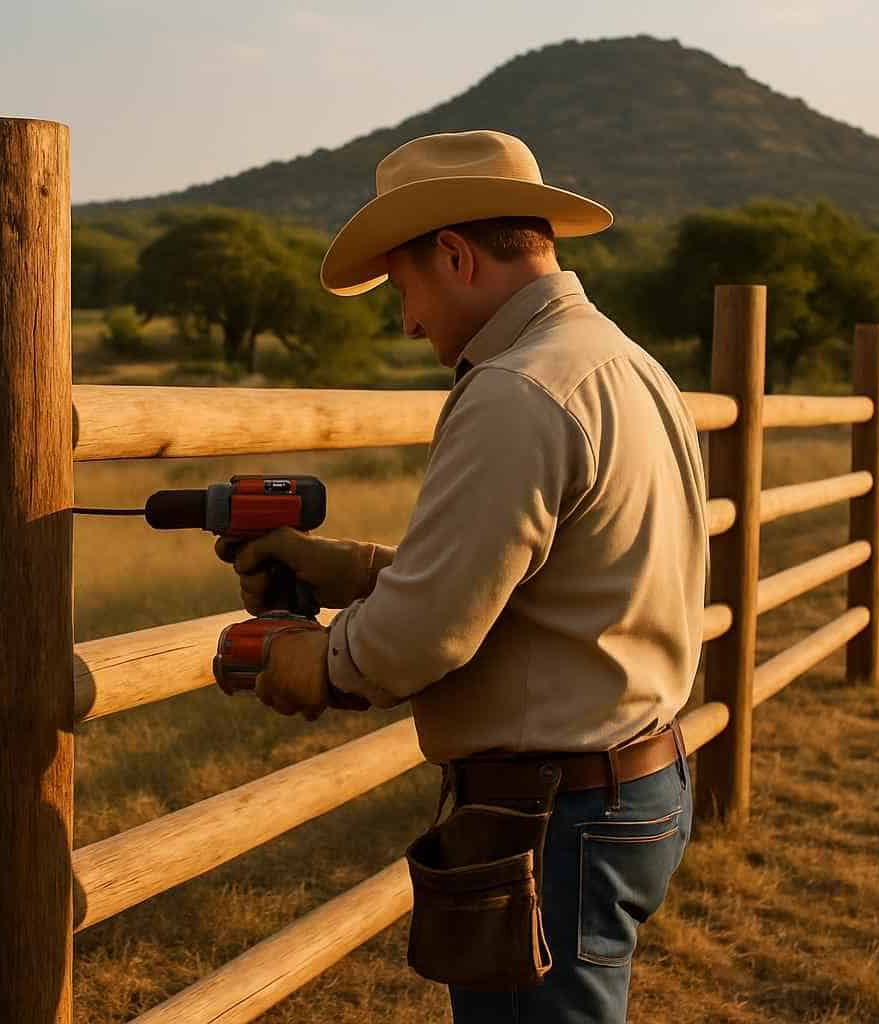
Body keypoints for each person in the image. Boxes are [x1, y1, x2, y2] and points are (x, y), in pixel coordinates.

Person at [215, 129, 708, 1023]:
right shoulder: (624, 364)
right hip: (634, 780)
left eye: (404, 291)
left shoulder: (517, 389)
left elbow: (424, 636)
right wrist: (356, 570)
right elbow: (545, 578)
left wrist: (315, 663)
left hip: (555, 812)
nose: (408, 322)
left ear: (453, 254)